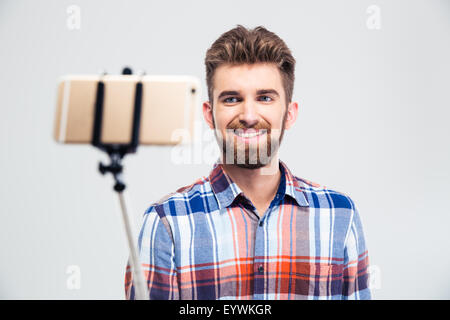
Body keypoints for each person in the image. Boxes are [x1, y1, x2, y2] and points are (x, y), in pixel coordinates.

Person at [125, 25, 371, 300]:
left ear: (289, 113)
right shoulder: (167, 222)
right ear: (209, 114)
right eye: (232, 99)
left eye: (265, 98)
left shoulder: (339, 215)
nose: (249, 115)